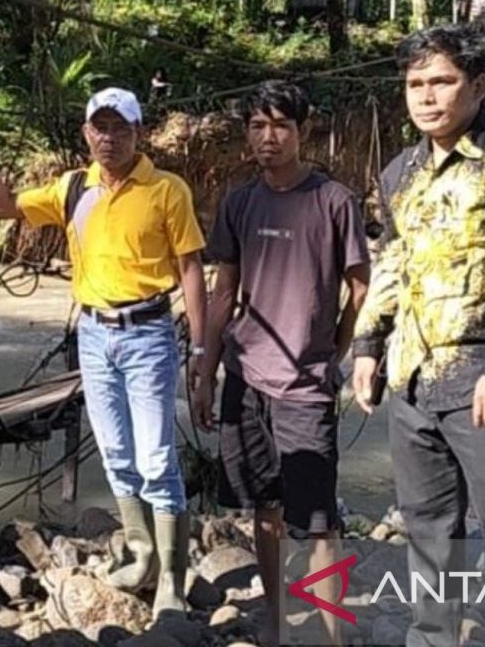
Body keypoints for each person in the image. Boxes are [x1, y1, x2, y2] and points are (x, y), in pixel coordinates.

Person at [0, 87, 206, 619]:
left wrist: (201, 347)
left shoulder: (166, 190)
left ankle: (172, 581)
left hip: (148, 333)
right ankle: (139, 555)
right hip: (93, 333)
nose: (108, 138)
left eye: (119, 128)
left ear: (139, 132)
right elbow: (1, 207)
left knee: (157, 456)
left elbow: (192, 270)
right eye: (99, 127)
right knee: (115, 451)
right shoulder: (72, 188)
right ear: (86, 132)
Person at [351, 25, 485, 646]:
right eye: (415, 84)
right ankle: (433, 637)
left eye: (442, 81)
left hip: (484, 376)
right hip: (413, 378)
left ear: (478, 86)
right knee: (427, 526)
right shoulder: (400, 173)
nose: (426, 95)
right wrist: (368, 348)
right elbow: (392, 265)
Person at [192, 82, 370, 647]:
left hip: (307, 386)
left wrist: (334, 353)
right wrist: (205, 369)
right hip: (246, 378)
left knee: (317, 519)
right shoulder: (241, 201)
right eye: (257, 126)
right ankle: (273, 617)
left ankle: (331, 630)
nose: (268, 138)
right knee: (262, 508)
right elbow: (224, 293)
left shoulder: (334, 201)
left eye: (281, 126)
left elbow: (361, 291)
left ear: (303, 130)